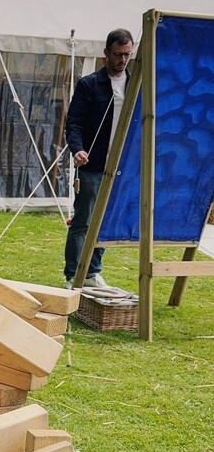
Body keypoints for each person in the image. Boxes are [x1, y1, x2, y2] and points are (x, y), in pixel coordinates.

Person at [63, 27, 134, 289]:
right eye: (118, 54)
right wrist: (77, 149)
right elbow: (74, 123)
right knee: (83, 221)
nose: (123, 60)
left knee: (105, 222)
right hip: (92, 164)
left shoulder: (135, 84)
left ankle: (92, 272)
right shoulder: (89, 84)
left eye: (127, 54)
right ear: (106, 54)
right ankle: (73, 274)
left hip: (120, 166)